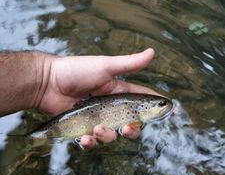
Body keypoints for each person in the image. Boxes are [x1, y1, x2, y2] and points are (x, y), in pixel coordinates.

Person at [0, 48, 157, 149]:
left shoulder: (136, 116)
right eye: (160, 104)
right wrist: (47, 77)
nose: (162, 106)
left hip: (74, 119)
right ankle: (23, 143)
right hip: (69, 121)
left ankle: (24, 142)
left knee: (92, 137)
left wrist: (47, 78)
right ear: (143, 107)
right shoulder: (136, 114)